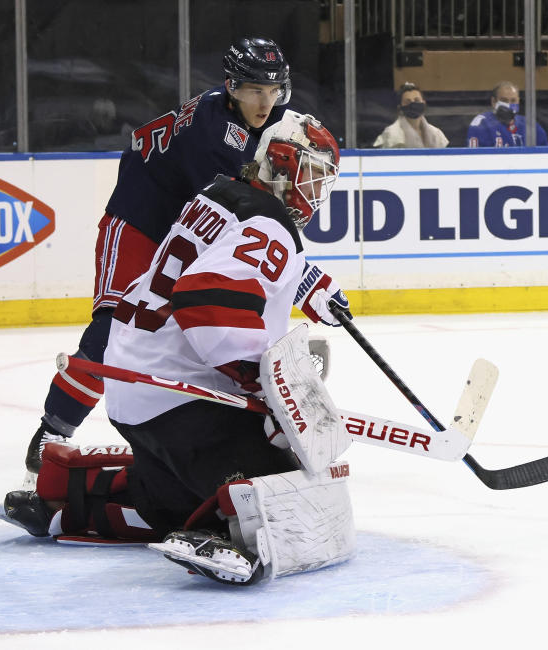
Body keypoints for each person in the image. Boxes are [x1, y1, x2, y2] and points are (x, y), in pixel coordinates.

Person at [5, 111, 355, 585]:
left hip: (137, 392)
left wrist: (306, 282)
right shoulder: (273, 227)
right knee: (287, 489)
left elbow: (216, 273)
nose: (315, 192)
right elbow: (209, 302)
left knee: (169, 500)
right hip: (185, 394)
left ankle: (68, 493)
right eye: (311, 175)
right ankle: (224, 531)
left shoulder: (216, 195)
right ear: (278, 163)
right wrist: (265, 384)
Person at [19, 37, 349, 487]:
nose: (264, 103)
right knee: (111, 329)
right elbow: (242, 217)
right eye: (254, 90)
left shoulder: (256, 120)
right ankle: (51, 432)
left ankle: (176, 437)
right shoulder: (214, 134)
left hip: (186, 224)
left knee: (175, 333)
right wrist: (304, 278)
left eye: (274, 92)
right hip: (140, 223)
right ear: (231, 86)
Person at [466, 81, 548, 147]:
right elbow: (474, 159)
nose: (509, 105)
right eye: (504, 100)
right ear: (494, 101)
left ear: (518, 101)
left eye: (513, 101)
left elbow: (546, 155)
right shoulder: (482, 123)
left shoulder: (529, 125)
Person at [373, 82, 448, 148]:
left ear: (424, 103)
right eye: (407, 102)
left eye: (417, 100)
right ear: (400, 107)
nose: (413, 104)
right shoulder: (390, 134)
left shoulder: (436, 134)